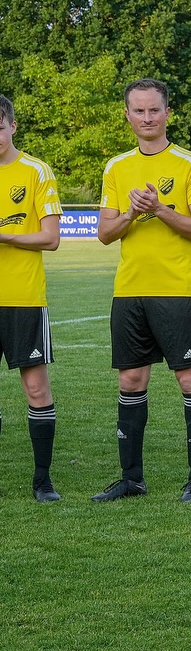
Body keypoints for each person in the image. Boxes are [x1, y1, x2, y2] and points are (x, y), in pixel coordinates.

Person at [92, 79, 191, 504]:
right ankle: (131, 479)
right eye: (139, 111)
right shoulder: (116, 167)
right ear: (127, 115)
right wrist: (132, 212)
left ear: (168, 113)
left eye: (154, 110)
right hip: (129, 291)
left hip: (176, 290)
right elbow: (104, 233)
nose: (147, 118)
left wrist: (160, 209)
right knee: (130, 379)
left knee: (189, 378)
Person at [0, 94, 63, 502]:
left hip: (23, 297)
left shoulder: (36, 171)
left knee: (36, 389)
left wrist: (6, 236)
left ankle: (43, 481)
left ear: (12, 126)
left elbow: (51, 238)